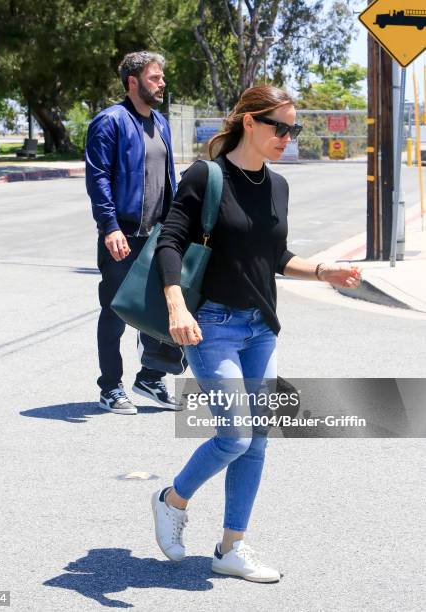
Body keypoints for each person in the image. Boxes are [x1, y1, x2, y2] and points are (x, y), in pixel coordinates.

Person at [150, 85, 362, 582]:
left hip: (261, 327)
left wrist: (323, 271)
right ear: (249, 122)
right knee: (235, 435)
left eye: (294, 129)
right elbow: (170, 241)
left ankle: (230, 550)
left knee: (257, 439)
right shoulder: (208, 176)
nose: (287, 137)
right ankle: (171, 499)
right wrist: (176, 304)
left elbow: (276, 258)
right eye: (279, 127)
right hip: (214, 326)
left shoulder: (278, 186)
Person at [85, 51, 186, 415]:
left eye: (161, 78)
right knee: (116, 313)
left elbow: (168, 178)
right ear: (133, 81)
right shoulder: (109, 122)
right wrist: (109, 226)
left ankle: (151, 377)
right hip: (123, 233)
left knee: (159, 311)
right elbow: (98, 178)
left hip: (159, 234)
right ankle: (110, 387)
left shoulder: (161, 121)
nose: (161, 84)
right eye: (154, 78)